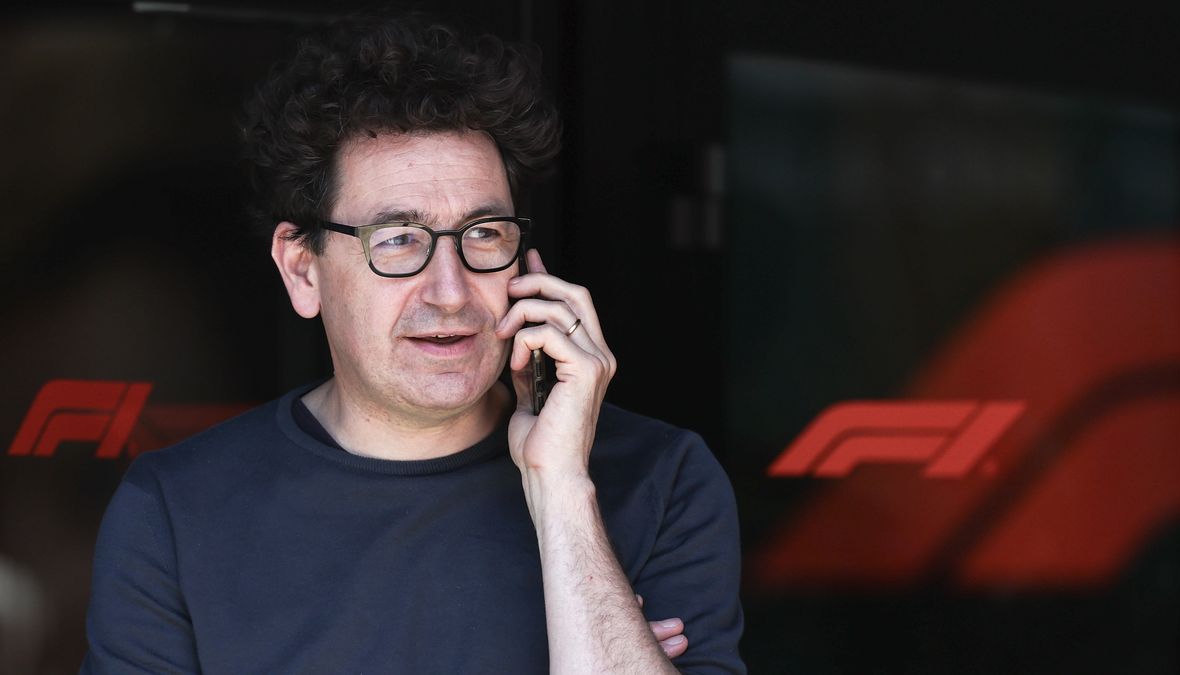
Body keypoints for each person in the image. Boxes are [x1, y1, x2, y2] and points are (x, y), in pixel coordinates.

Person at [81, 10, 744, 674]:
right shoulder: (174, 512)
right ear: (303, 269)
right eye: (399, 240)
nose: (451, 290)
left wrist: (563, 493)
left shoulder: (662, 479)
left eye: (483, 233)